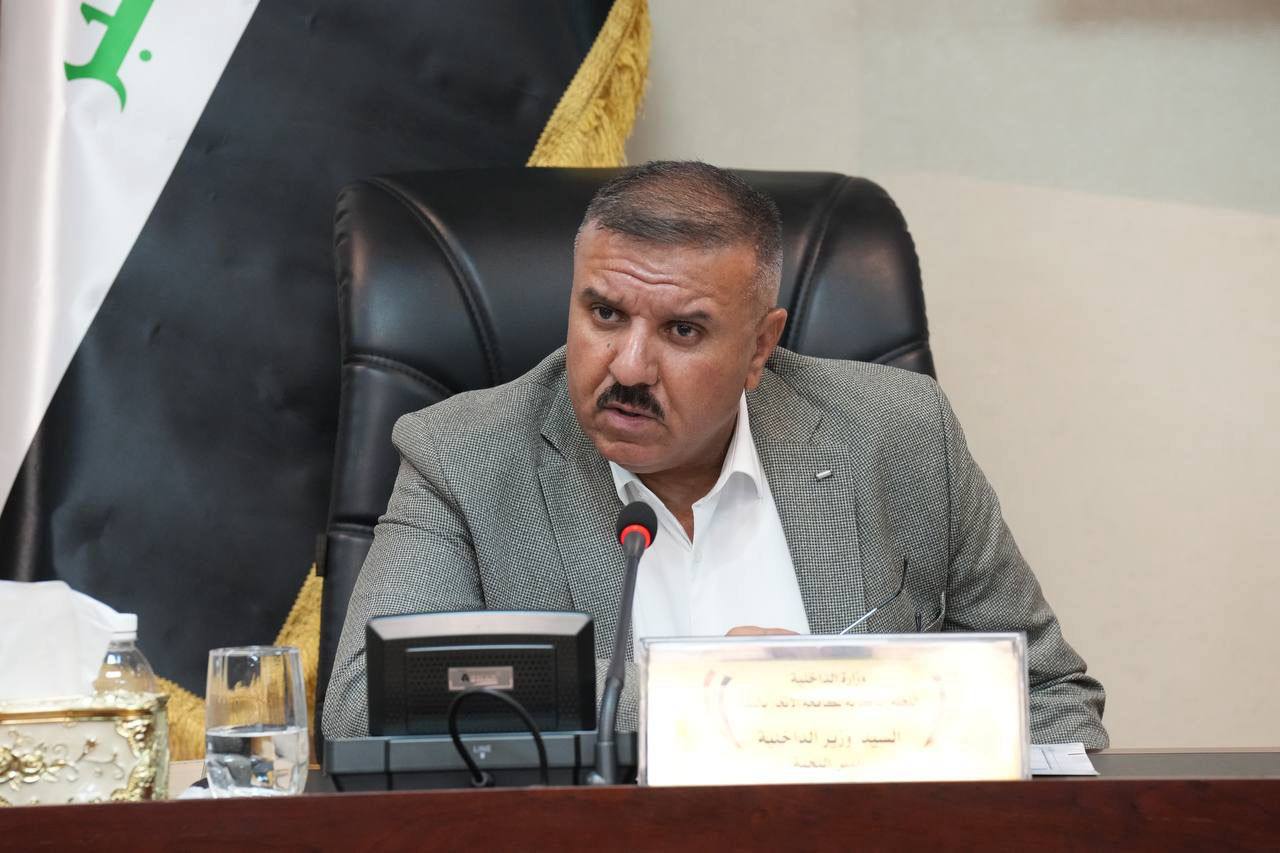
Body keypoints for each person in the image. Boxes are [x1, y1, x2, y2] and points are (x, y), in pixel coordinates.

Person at [323, 161, 1107, 747]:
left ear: (760, 346)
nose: (630, 366)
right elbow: (365, 708)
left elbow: (1048, 696)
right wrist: (696, 691)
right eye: (605, 313)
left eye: (682, 329)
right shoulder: (463, 457)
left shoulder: (900, 434)